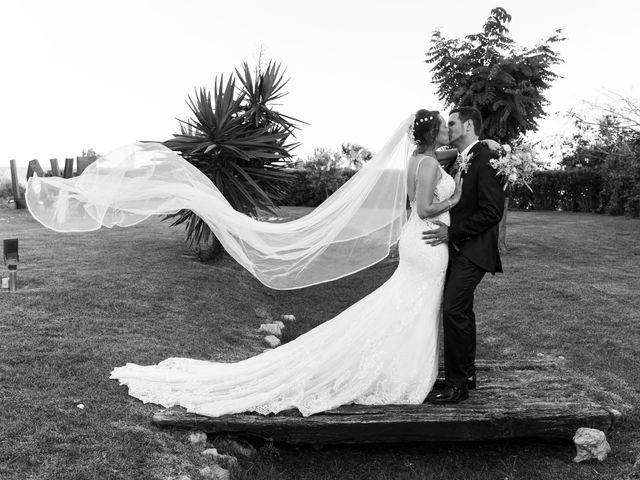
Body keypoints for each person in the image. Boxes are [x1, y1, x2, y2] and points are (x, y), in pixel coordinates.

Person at [103, 109, 464, 417]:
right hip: (429, 238)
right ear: (433, 133)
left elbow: (433, 173)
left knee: (406, 305)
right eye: (444, 127)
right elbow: (424, 207)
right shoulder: (430, 162)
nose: (449, 130)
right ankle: (403, 373)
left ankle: (400, 366)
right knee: (414, 305)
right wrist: (457, 196)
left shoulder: (418, 160)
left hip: (420, 239)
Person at [422, 106, 505, 404]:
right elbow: (425, 156)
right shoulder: (461, 157)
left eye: (453, 123)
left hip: (474, 250)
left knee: (453, 309)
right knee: (462, 310)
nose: (449, 127)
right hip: (457, 250)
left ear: (468, 125)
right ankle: (466, 373)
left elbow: (492, 212)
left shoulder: (486, 159)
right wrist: (493, 142)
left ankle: (456, 386)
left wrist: (452, 234)